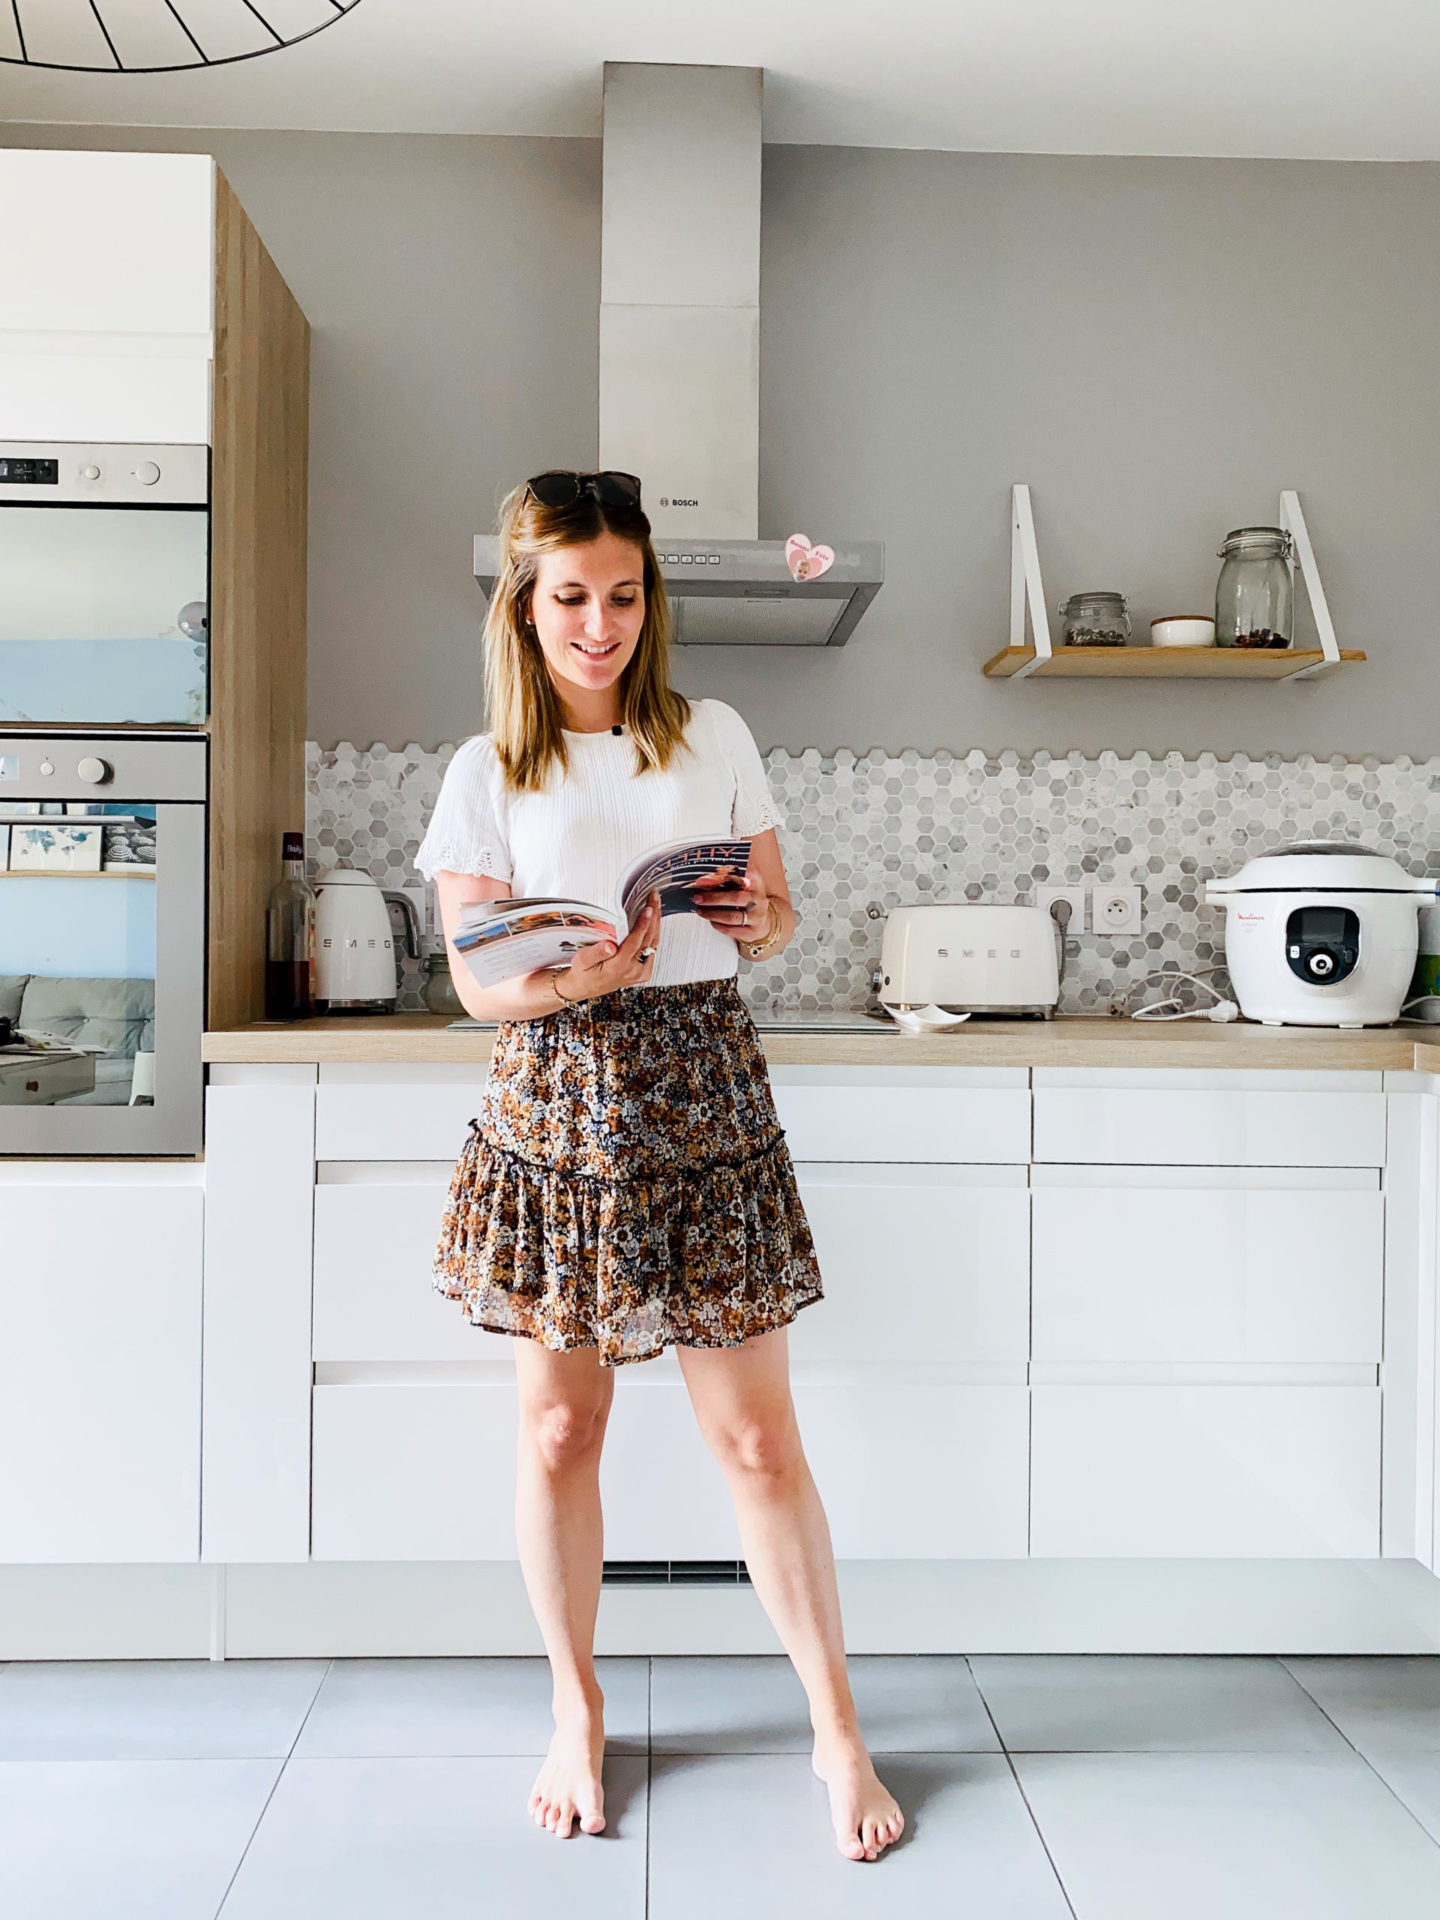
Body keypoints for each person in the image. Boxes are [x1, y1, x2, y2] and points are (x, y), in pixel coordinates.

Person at [414, 469, 904, 1863]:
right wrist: (582, 974)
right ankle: (574, 1709)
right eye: (572, 597)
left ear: (650, 602)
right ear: (525, 605)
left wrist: (756, 917)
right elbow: (477, 987)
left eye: (623, 596)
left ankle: (837, 1729)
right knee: (561, 1430)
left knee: (756, 1440)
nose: (600, 625)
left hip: (703, 1084)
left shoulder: (714, 735)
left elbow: (776, 914)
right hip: (560, 1102)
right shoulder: (485, 770)